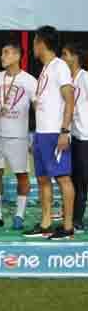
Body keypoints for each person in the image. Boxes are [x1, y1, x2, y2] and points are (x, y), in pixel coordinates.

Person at [24, 26, 75, 240]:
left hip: (55, 132)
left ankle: (68, 226)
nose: (33, 46)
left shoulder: (59, 66)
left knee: (63, 178)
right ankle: (46, 224)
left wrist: (64, 131)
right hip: (42, 133)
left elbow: (70, 99)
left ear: (42, 43)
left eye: (34, 41)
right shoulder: (46, 69)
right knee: (43, 178)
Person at [0, 42, 37, 230]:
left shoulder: (29, 81)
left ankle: (19, 215)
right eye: (2, 53)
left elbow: (37, 108)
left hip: (18, 135)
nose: (2, 57)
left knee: (22, 175)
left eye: (6, 53)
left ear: (17, 56)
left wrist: (38, 133)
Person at [63, 43, 88, 233]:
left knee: (80, 179)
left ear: (74, 57)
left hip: (84, 136)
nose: (62, 58)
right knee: (71, 177)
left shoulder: (85, 78)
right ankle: (70, 217)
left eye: (65, 54)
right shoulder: (66, 80)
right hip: (70, 135)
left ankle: (77, 219)